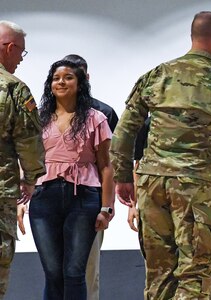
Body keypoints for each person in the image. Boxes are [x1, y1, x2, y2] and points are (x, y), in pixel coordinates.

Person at [111, 11, 211, 299]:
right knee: (196, 272)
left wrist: (122, 178)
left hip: (152, 185)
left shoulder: (157, 75)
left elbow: (123, 134)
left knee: (158, 273)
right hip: (194, 186)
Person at [28, 60, 113, 299]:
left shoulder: (96, 118)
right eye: (56, 78)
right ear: (50, 83)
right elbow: (28, 160)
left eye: (68, 77)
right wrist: (21, 200)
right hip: (43, 198)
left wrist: (107, 208)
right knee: (53, 273)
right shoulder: (38, 118)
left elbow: (106, 166)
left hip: (84, 199)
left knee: (75, 272)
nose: (61, 82)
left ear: (80, 83)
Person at [62, 54, 118, 300]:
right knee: (56, 267)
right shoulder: (47, 114)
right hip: (54, 198)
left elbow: (110, 162)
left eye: (78, 76)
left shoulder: (103, 113)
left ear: (87, 77)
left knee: (88, 266)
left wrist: (107, 205)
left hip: (89, 198)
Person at [0, 20, 45, 299]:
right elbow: (29, 142)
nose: (20, 59)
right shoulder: (14, 89)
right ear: (9, 47)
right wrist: (30, 179)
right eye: (21, 52)